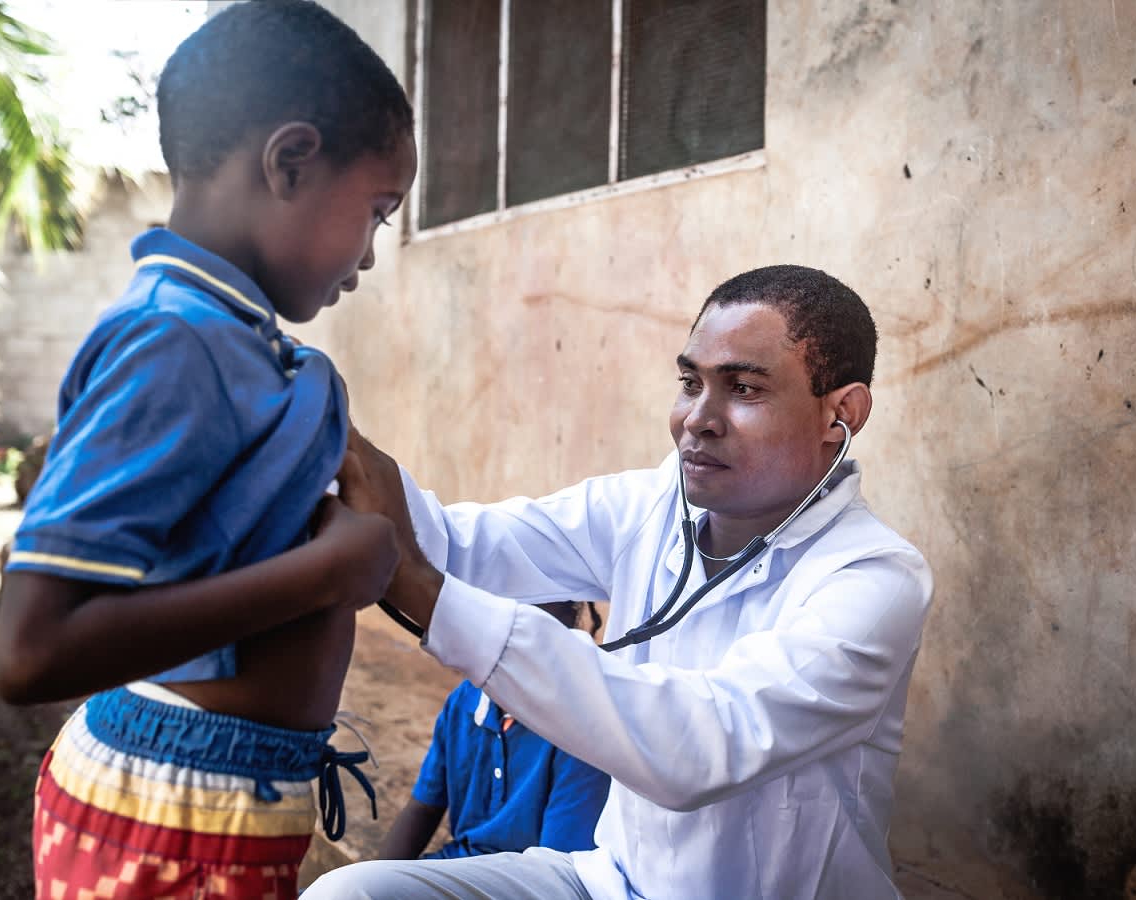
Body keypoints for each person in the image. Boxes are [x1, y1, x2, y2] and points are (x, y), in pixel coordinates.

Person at [306, 265, 934, 900]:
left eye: (743, 388)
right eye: (691, 383)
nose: (698, 419)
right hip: (610, 885)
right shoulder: (650, 505)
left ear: (841, 414)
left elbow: (703, 746)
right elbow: (454, 544)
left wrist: (423, 592)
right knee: (349, 895)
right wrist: (331, 438)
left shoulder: (873, 577)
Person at [0, 2, 415, 896]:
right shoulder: (176, 343)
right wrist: (327, 575)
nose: (371, 254)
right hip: (170, 819)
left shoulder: (245, 346)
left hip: (219, 806)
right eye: (377, 212)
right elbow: (29, 654)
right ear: (291, 161)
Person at [378, 601, 610, 861]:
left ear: (565, 633)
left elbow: (556, 869)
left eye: (533, 634)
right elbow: (423, 808)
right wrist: (372, 877)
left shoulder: (581, 730)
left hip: (528, 883)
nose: (512, 646)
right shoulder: (464, 702)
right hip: (458, 867)